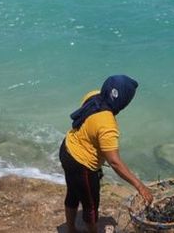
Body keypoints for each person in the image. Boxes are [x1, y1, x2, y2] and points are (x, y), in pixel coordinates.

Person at [59, 75, 154, 233]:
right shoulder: (107, 125)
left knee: (73, 193)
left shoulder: (94, 95)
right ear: (124, 101)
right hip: (82, 165)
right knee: (91, 207)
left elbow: (89, 126)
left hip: (67, 149)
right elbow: (114, 162)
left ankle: (70, 229)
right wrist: (140, 186)